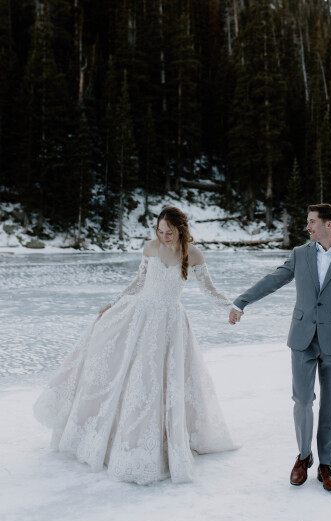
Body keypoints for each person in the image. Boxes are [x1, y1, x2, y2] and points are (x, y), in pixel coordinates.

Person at [34, 206, 237, 484]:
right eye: (160, 231)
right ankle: (113, 438)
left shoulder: (193, 254)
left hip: (169, 324)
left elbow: (209, 289)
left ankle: (160, 441)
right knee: (127, 376)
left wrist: (230, 307)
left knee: (159, 381)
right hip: (139, 317)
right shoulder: (150, 248)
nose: (163, 236)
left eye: (169, 232)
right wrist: (113, 303)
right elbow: (138, 282)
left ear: (181, 230)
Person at [229, 203, 331, 492]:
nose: (307, 227)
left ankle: (326, 465)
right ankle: (304, 456)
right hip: (302, 339)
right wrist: (241, 301)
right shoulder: (299, 254)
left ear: (328, 224)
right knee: (303, 401)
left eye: (312, 221)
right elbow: (273, 280)